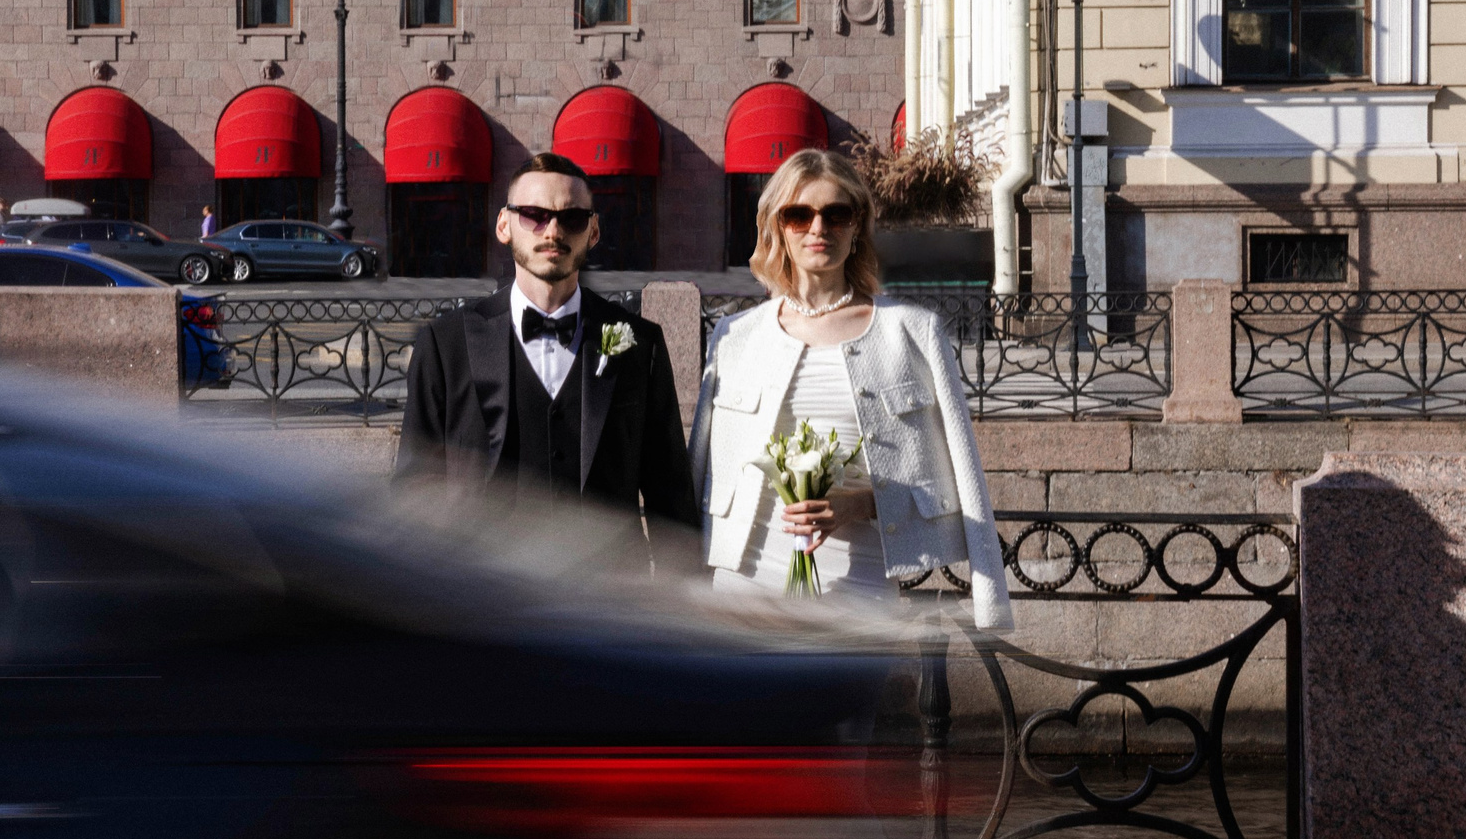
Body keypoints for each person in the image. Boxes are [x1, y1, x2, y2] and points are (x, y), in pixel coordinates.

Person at [690, 148, 1011, 627]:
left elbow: (959, 477)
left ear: (858, 225)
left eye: (836, 214)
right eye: (799, 215)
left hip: (859, 581)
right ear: (778, 226)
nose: (818, 228)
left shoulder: (911, 333)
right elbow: (700, 472)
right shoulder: (735, 336)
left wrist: (856, 504)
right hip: (745, 579)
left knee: (847, 704)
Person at [396, 152, 699, 534]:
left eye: (571, 218)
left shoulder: (640, 343)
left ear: (593, 232)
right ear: (504, 225)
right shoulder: (445, 344)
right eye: (534, 215)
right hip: (478, 586)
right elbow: (415, 488)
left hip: (606, 587)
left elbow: (670, 494)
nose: (552, 231)